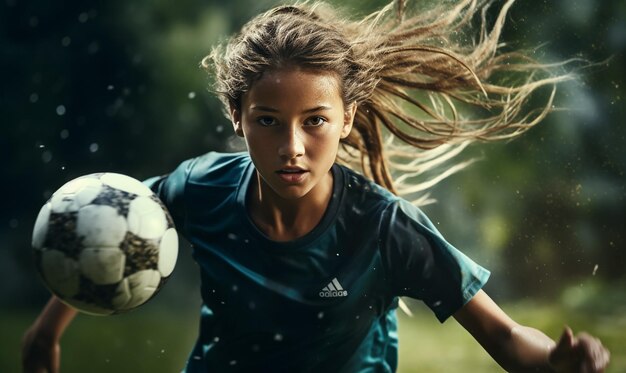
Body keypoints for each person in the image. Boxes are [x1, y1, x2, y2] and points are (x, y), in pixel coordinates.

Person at [23, 0, 611, 372]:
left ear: (347, 119)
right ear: (237, 117)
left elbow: (506, 337)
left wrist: (553, 361)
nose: (292, 148)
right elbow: (103, 225)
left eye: (315, 121)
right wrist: (46, 333)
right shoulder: (200, 188)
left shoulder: (386, 229)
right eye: (268, 122)